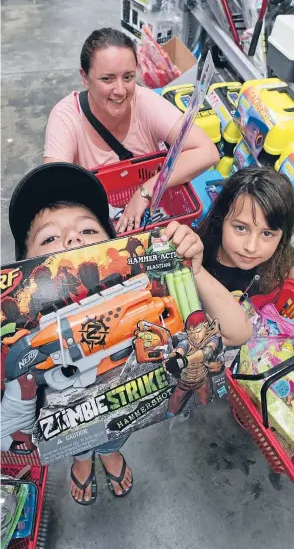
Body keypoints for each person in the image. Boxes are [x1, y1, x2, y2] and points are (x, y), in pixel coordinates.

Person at [8, 162, 251, 505]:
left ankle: (108, 453)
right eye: (49, 237)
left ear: (115, 246)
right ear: (25, 267)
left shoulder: (143, 291)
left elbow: (238, 332)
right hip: (63, 426)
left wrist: (190, 270)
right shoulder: (22, 336)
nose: (73, 238)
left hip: (123, 413)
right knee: (75, 442)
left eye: (89, 230)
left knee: (112, 435)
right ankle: (81, 461)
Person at [43, 27, 220, 234]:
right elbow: (52, 188)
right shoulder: (66, 117)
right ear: (85, 77)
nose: (120, 90)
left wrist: (145, 191)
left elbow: (207, 151)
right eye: (107, 79)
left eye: (128, 77)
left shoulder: (144, 102)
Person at [198, 166, 294, 313]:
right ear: (221, 219)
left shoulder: (282, 257)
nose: (251, 247)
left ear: (282, 236)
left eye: (267, 234)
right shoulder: (201, 253)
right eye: (241, 228)